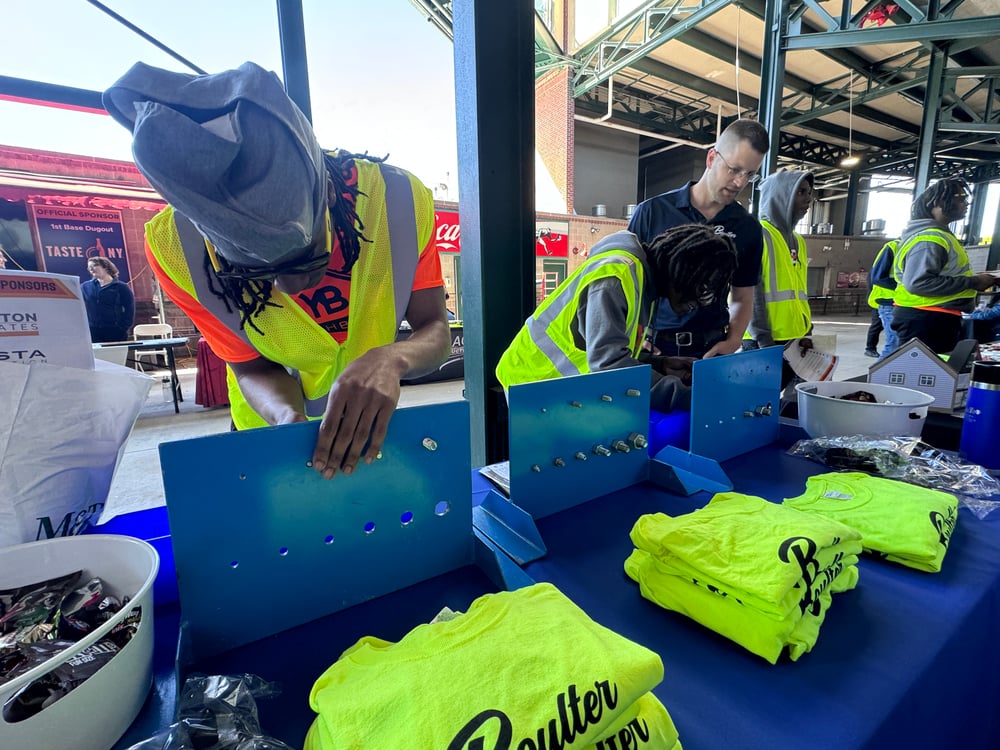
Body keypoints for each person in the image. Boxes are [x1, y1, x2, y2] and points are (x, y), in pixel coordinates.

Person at [103, 61, 451, 480]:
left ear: (325, 192)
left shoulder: (398, 202)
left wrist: (393, 357)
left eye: (304, 258)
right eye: (254, 272)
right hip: (267, 429)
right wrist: (288, 420)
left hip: (366, 426)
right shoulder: (177, 249)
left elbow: (435, 328)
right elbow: (249, 367)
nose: (287, 286)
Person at [495, 224, 738, 413]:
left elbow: (605, 352)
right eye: (698, 290)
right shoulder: (616, 278)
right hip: (533, 383)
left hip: (560, 388)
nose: (695, 305)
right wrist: (690, 398)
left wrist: (660, 364)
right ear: (681, 270)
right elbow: (609, 367)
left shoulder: (643, 283)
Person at [627, 119, 770, 358]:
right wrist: (633, 335)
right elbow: (629, 285)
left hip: (711, 348)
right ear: (712, 158)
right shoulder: (652, 212)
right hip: (655, 348)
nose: (740, 182)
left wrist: (733, 341)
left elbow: (743, 296)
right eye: (734, 169)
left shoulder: (748, 228)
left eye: (750, 174)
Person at [890, 178, 997, 354]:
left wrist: (978, 279)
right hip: (926, 318)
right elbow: (918, 283)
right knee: (922, 375)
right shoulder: (930, 239)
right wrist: (973, 282)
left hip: (933, 317)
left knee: (930, 375)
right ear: (938, 203)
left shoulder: (938, 236)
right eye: (960, 198)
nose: (966, 203)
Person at [743, 169, 814, 391]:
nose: (808, 199)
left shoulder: (798, 241)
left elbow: (797, 290)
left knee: (791, 404)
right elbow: (751, 294)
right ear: (781, 195)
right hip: (762, 342)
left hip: (795, 341)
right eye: (801, 192)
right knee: (757, 404)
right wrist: (765, 341)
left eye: (810, 193)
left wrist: (807, 330)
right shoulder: (757, 235)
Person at [81, 256, 135, 343]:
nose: (90, 269)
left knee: (115, 356)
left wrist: (122, 327)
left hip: (115, 331)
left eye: (94, 265)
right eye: (89, 267)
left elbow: (130, 309)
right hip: (93, 331)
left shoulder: (121, 287)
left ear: (105, 267)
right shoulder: (85, 286)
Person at [866, 238, 898, 358]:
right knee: (894, 342)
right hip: (887, 301)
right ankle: (870, 349)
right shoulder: (893, 247)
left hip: (904, 302)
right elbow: (876, 278)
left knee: (900, 343)